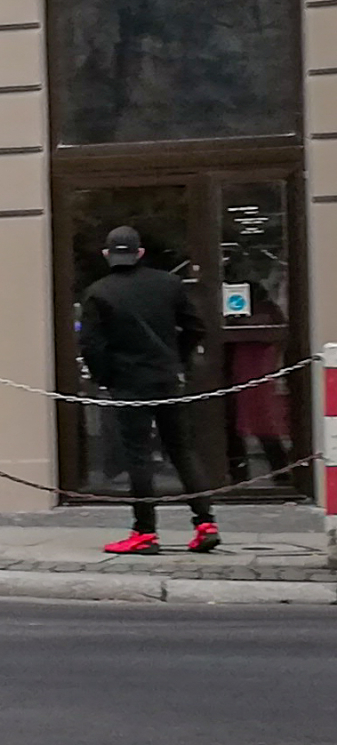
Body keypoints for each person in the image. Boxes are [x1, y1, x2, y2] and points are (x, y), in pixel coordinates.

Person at [79, 227, 218, 554]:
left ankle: (145, 532)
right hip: (167, 378)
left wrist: (106, 377)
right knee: (182, 451)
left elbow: (91, 346)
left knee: (138, 457)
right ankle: (205, 522)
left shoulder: (98, 292)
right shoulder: (169, 284)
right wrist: (177, 359)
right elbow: (195, 327)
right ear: (140, 253)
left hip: (128, 383)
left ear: (106, 255)